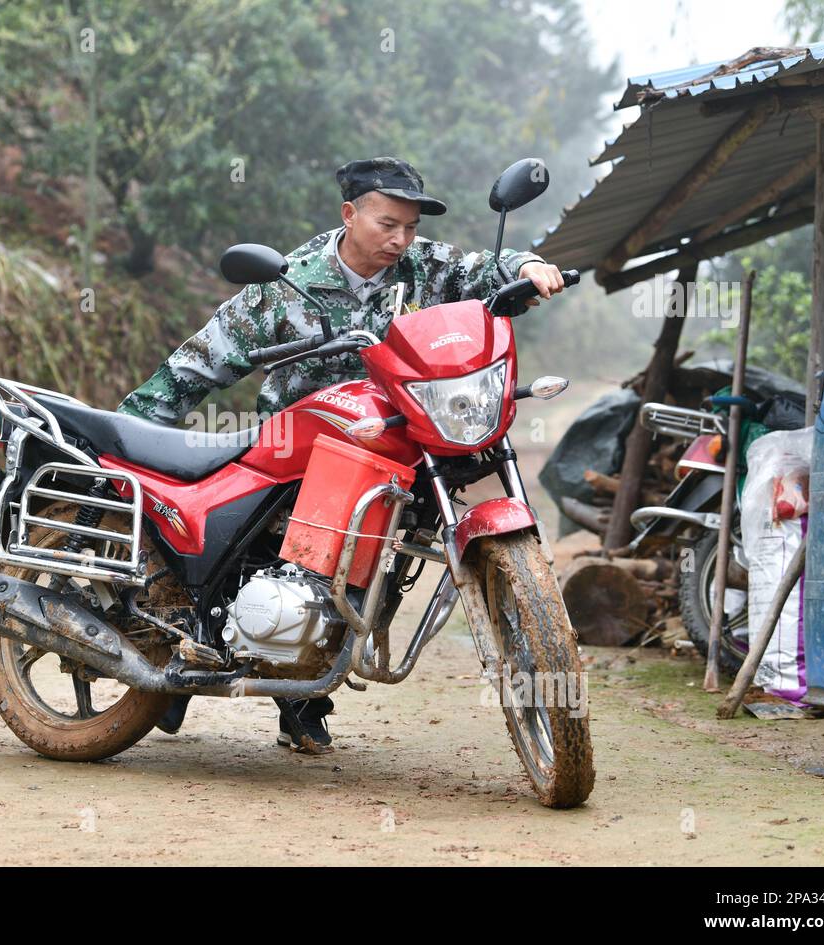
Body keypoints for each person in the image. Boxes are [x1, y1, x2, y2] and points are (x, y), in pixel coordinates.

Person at [118, 157, 566, 752]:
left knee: (379, 567)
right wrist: (126, 433)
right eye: (388, 224)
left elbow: (485, 268)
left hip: (397, 443)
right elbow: (202, 360)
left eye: (409, 226)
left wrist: (529, 267)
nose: (400, 239)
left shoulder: (423, 264)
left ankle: (307, 690)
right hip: (299, 449)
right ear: (349, 215)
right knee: (280, 566)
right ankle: (183, 671)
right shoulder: (286, 284)